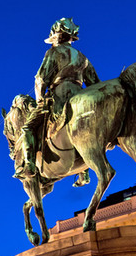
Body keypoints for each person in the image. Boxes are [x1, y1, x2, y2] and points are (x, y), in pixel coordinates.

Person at [18, 18, 99, 186]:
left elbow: (40, 79)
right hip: (81, 95)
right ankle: (84, 171)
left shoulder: (53, 53)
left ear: (55, 37)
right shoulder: (83, 57)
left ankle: (29, 165)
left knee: (27, 128)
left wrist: (40, 100)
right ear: (71, 37)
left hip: (59, 97)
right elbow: (95, 84)